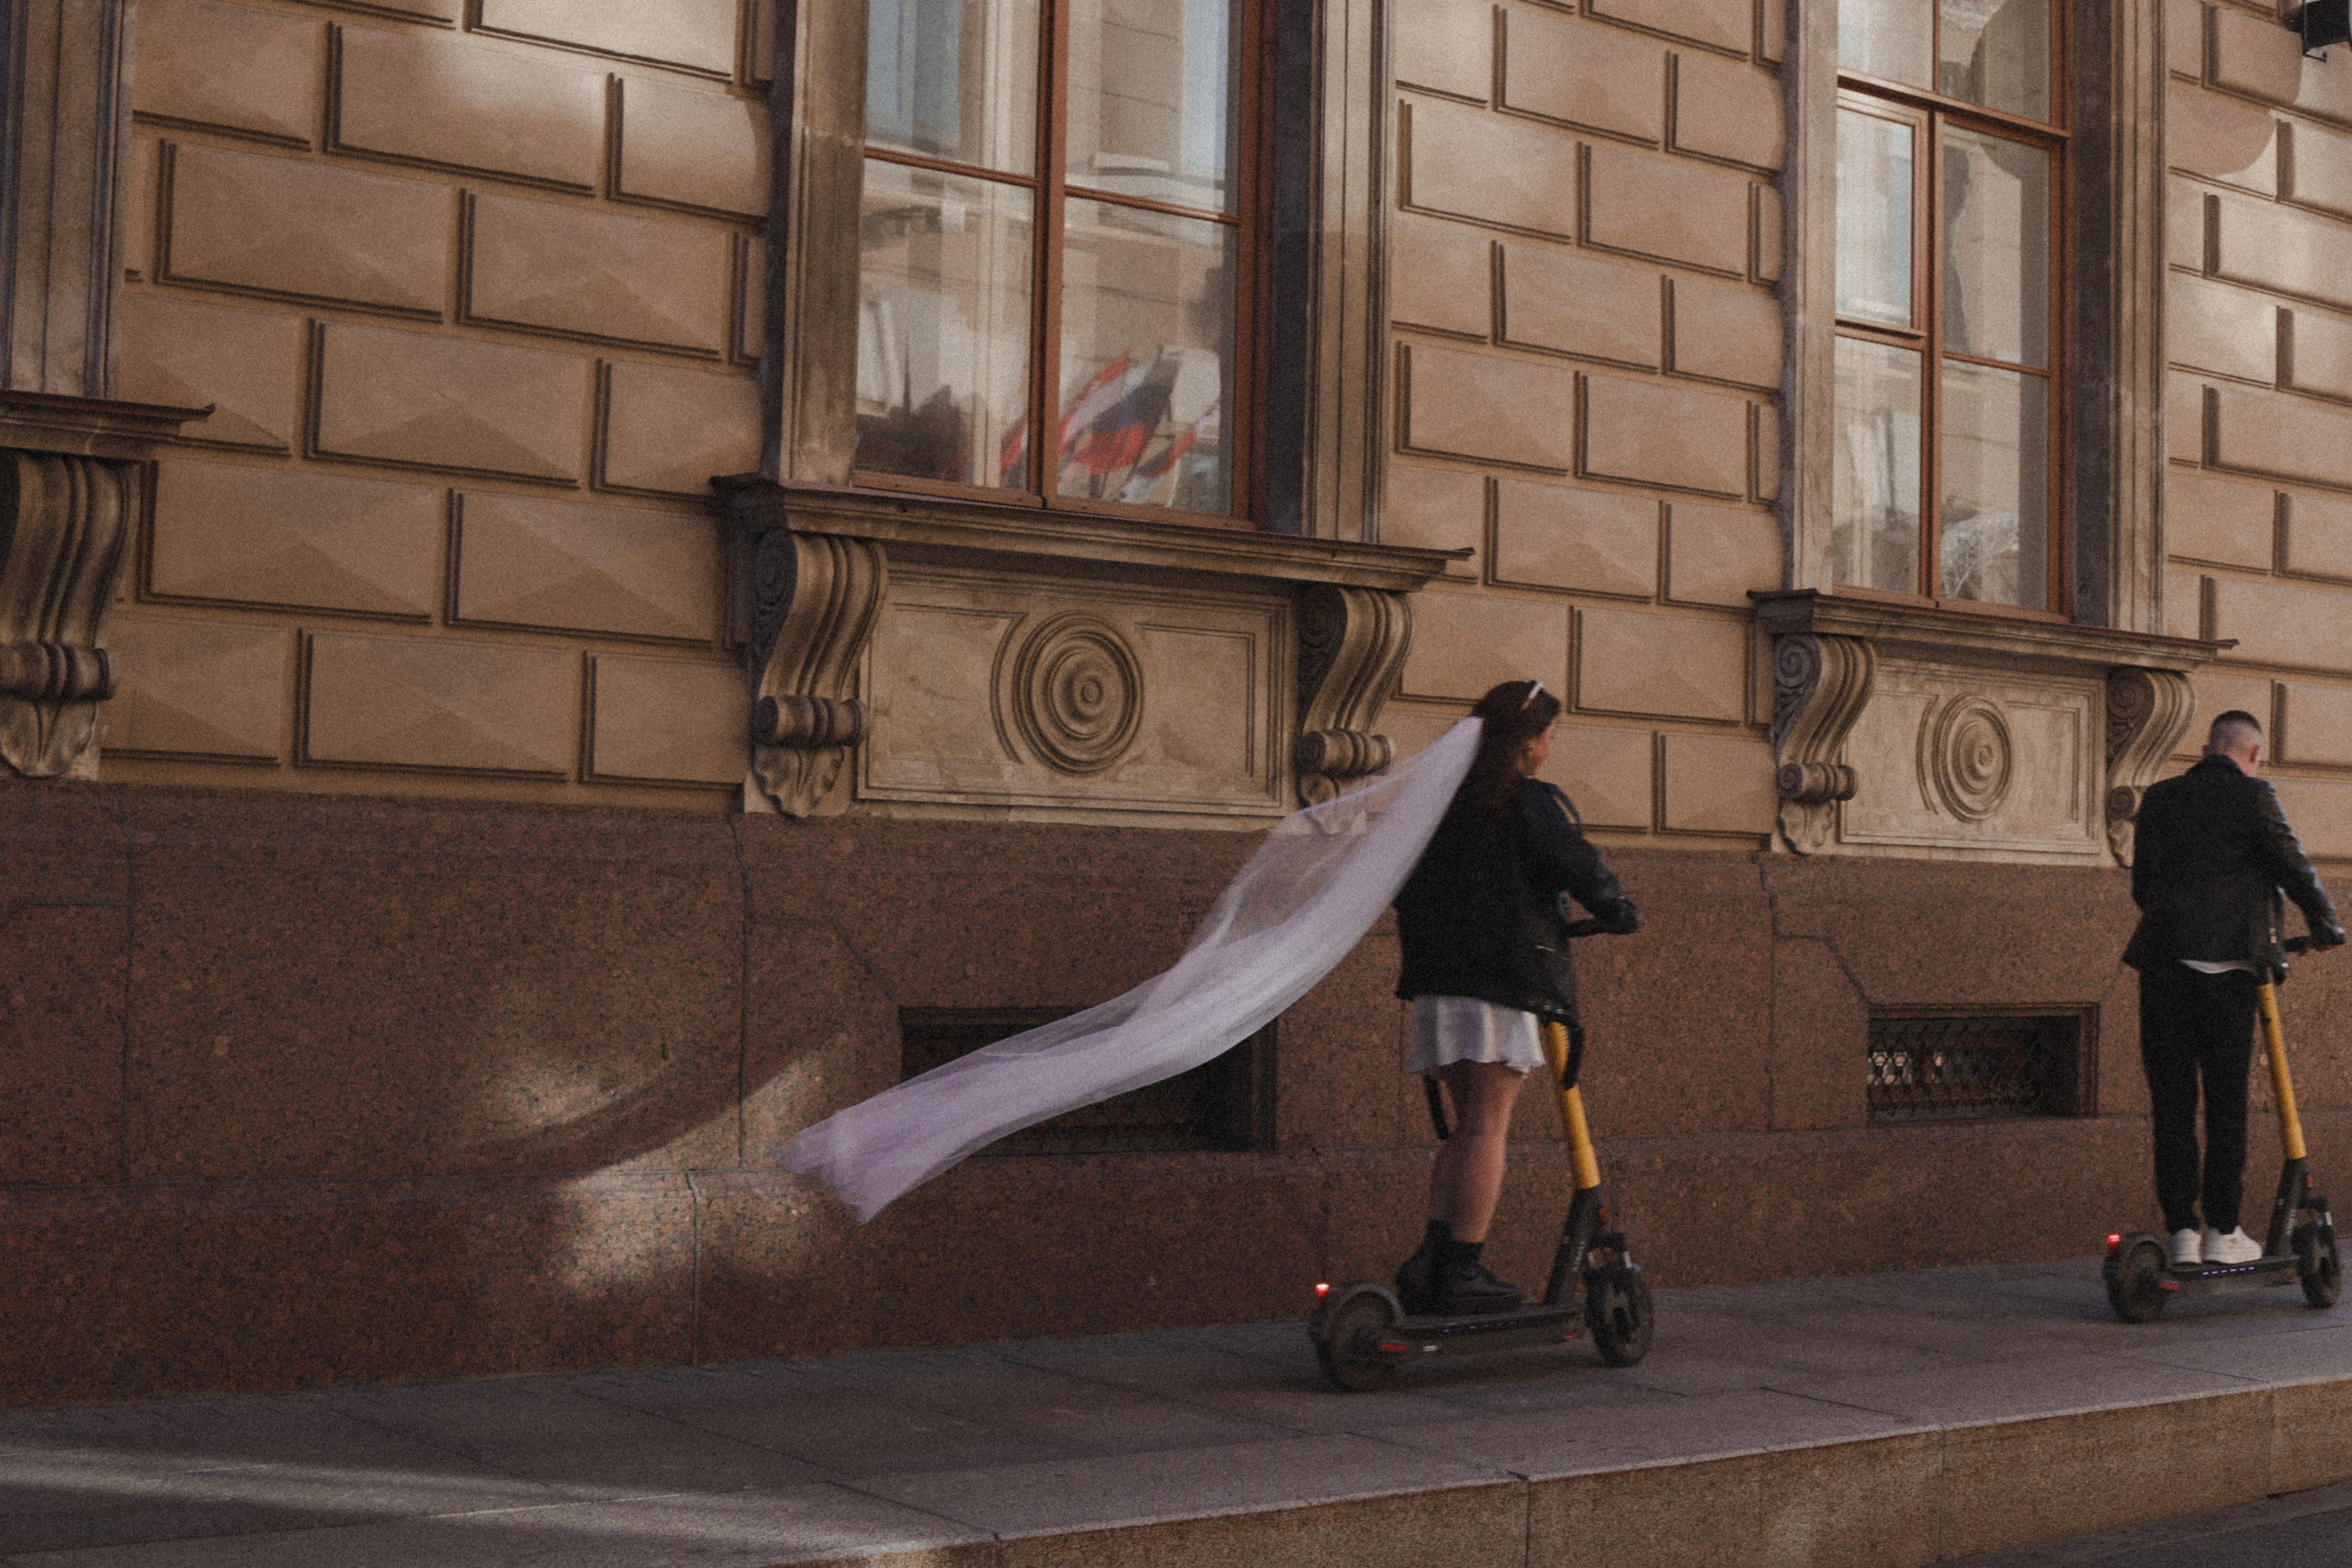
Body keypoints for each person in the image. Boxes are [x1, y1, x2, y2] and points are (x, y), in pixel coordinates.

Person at [1389, 678, 1641, 1315]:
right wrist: (1616, 908)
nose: (1551, 747)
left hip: (1439, 984)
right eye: (1550, 736)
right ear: (1528, 742)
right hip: (1497, 984)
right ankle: (1461, 1266)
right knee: (1487, 1127)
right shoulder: (1523, 802)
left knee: (1465, 1127)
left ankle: (1433, 1259)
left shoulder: (1441, 803)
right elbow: (1574, 861)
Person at [2124, 709, 2345, 1268]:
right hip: (2228, 974)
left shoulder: (2160, 798)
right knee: (2226, 1105)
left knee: (2172, 1104)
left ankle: (2181, 1231)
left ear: (2207, 749)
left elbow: (2143, 886)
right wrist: (2326, 926)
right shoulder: (2254, 795)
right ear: (2253, 754)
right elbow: (2295, 866)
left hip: (2164, 968)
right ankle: (2223, 1229)